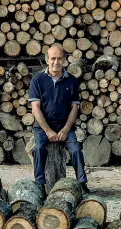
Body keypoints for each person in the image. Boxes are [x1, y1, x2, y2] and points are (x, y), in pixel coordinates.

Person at [29, 44, 89, 193]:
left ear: (64, 60)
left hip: (64, 126)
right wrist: (48, 130)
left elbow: (74, 108)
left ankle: (82, 183)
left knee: (75, 149)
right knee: (39, 148)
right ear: (47, 60)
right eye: (53, 58)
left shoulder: (71, 81)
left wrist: (66, 129)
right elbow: (35, 108)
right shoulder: (37, 80)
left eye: (59, 59)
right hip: (43, 127)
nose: (56, 62)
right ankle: (40, 184)